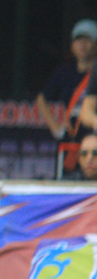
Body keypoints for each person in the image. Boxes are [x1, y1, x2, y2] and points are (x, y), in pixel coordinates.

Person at [35, 19, 97, 176]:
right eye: (78, 40)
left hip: (93, 139)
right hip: (71, 141)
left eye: (87, 40)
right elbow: (41, 99)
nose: (82, 44)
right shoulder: (64, 72)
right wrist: (55, 128)